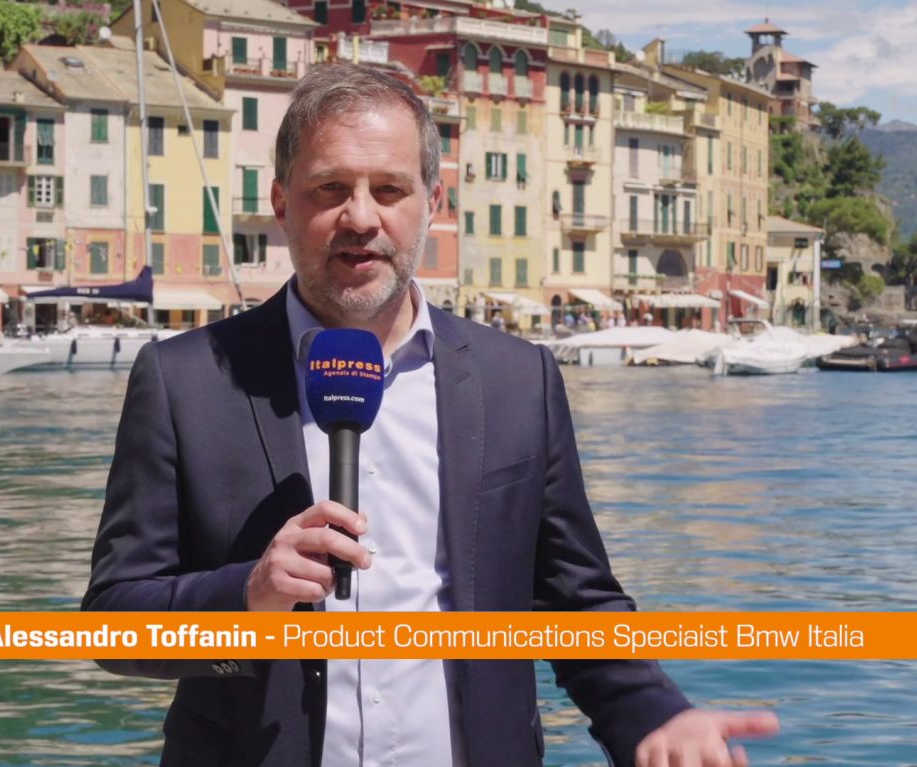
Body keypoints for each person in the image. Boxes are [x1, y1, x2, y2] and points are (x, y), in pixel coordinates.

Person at [82, 63, 777, 767]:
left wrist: (656, 715)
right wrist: (248, 597)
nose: (361, 217)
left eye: (389, 190)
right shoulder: (184, 381)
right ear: (281, 202)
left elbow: (578, 602)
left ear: (433, 202)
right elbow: (113, 622)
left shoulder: (519, 380)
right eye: (330, 188)